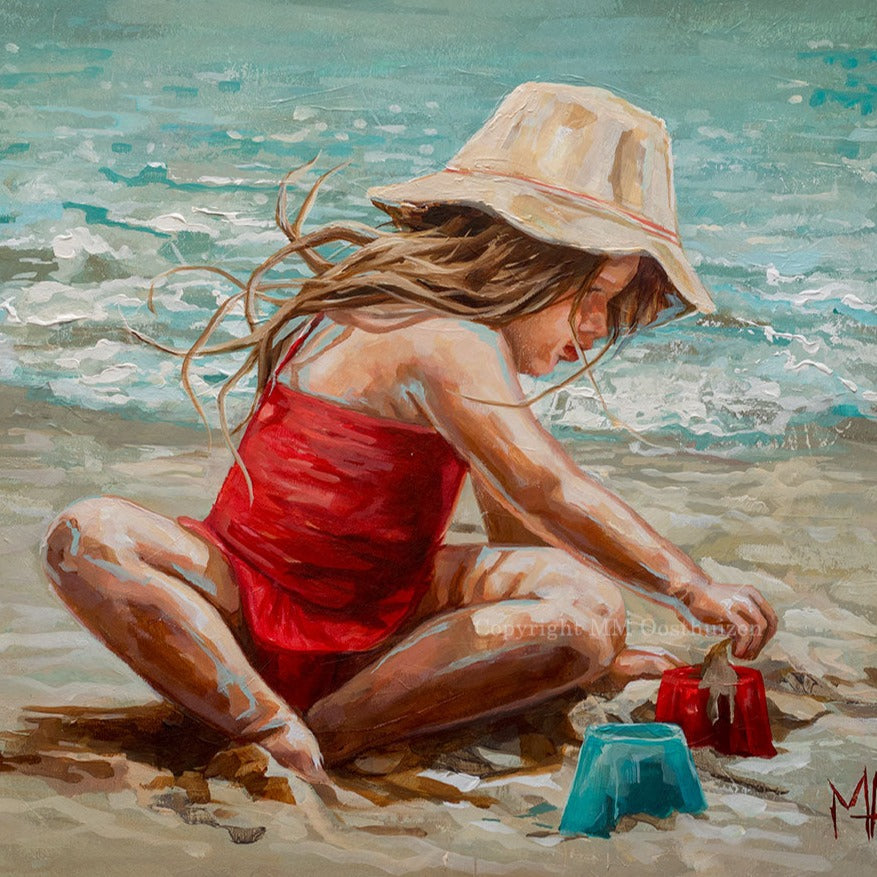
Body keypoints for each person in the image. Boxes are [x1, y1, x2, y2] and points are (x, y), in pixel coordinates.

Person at [40, 83, 777, 786]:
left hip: (381, 619)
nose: (593, 329)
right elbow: (545, 487)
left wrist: (592, 660)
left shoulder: (440, 331)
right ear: (526, 259)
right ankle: (286, 729)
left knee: (586, 606)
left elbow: (513, 505)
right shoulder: (445, 339)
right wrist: (687, 586)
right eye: (595, 296)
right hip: (244, 604)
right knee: (88, 534)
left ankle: (305, 722)